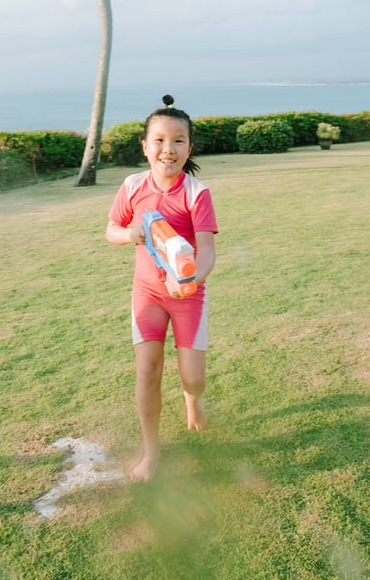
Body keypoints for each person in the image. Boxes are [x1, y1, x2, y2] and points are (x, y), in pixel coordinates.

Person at [106, 95, 218, 482]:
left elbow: (206, 252)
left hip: (188, 298)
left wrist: (189, 280)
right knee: (147, 371)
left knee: (193, 377)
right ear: (145, 145)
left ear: (189, 147)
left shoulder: (196, 193)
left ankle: (194, 402)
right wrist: (131, 234)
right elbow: (111, 230)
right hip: (148, 294)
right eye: (159, 140)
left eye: (178, 141)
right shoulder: (132, 185)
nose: (168, 149)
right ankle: (151, 453)